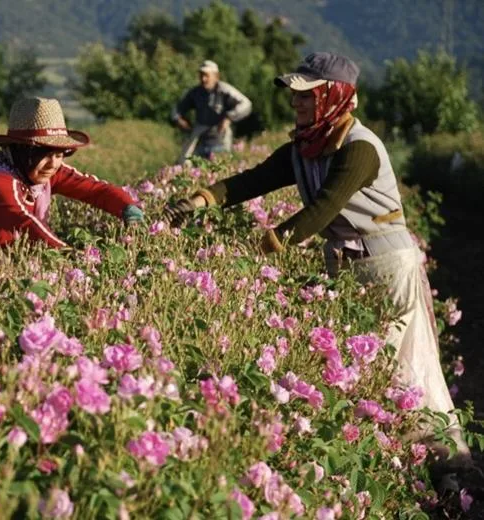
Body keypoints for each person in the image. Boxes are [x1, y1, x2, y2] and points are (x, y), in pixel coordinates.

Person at [164, 52, 471, 466]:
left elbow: (323, 208)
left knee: (397, 366)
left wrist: (261, 248)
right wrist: (202, 198)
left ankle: (442, 463)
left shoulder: (359, 148)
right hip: (349, 264)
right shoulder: (308, 146)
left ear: (334, 96)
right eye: (295, 95)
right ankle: (403, 458)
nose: (296, 102)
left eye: (306, 95)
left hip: (385, 265)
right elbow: (256, 179)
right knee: (373, 367)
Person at [0, 97, 143, 272]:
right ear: (20, 150)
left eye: (61, 153)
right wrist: (71, 256)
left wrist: (128, 208)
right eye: (45, 153)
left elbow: (95, 189)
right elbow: (23, 223)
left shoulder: (40, 171)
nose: (54, 163)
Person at [172, 60, 252, 163]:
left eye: (206, 75)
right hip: (200, 137)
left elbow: (246, 104)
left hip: (220, 137)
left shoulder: (224, 90)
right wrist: (178, 119)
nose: (203, 79)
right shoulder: (195, 92)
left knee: (221, 166)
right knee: (186, 162)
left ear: (216, 76)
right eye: (201, 75)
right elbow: (177, 108)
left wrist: (229, 118)